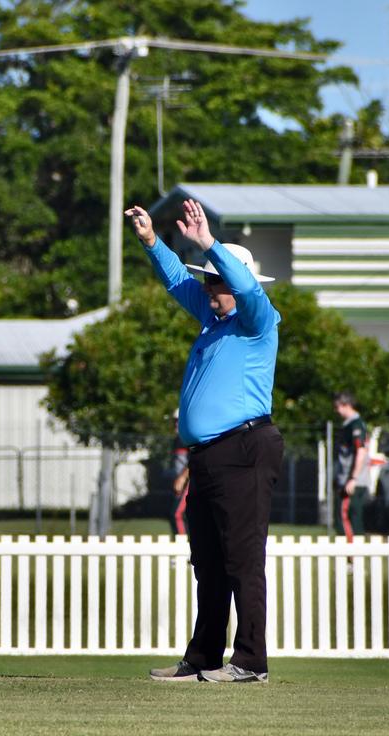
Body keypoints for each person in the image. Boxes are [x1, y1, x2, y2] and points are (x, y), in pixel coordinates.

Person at [128, 199, 284, 684]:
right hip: (211, 455)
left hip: (245, 448)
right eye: (209, 279)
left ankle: (250, 662)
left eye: (215, 279)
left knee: (242, 558)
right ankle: (203, 658)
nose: (208, 286)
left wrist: (211, 246)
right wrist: (153, 242)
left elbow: (240, 284)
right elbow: (177, 281)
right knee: (210, 562)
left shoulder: (258, 320)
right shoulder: (213, 321)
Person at [333, 392, 370, 541]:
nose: (336, 411)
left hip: (352, 481)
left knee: (344, 517)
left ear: (347, 405)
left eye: (338, 407)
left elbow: (360, 451)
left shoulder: (355, 425)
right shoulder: (348, 425)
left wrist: (353, 478)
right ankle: (353, 557)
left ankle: (351, 557)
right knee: (348, 517)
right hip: (347, 479)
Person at [168, 408, 190, 536]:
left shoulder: (187, 438)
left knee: (177, 514)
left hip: (188, 482)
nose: (176, 424)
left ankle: (181, 551)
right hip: (180, 484)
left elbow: (194, 459)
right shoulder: (177, 439)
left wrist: (182, 478)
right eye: (174, 421)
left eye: (178, 421)